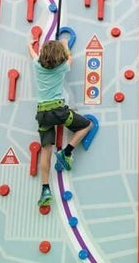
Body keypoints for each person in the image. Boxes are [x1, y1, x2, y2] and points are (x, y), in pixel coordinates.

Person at [28, 38, 93, 206]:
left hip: (42, 114)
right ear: (60, 57)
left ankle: (45, 189)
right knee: (87, 125)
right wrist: (65, 44)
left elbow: (33, 54)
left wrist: (30, 45)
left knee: (46, 151)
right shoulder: (63, 67)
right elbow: (70, 57)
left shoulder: (37, 64)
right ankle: (67, 152)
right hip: (58, 112)